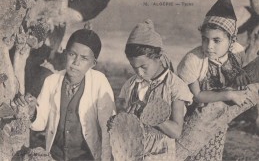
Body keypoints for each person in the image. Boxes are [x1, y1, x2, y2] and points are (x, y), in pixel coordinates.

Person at [176, 0, 259, 160]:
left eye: (216, 40)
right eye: (205, 39)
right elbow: (197, 96)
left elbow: (239, 75)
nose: (209, 46)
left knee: (212, 154)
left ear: (231, 40)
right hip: (193, 118)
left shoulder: (237, 52)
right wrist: (228, 94)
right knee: (191, 154)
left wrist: (242, 74)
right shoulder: (192, 61)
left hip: (219, 118)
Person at [15, 29, 115, 161]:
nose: (76, 62)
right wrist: (32, 112)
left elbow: (108, 128)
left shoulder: (99, 82)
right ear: (65, 53)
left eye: (84, 58)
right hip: (55, 157)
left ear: (93, 63)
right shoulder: (52, 81)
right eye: (72, 54)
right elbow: (40, 123)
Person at [116, 19, 193, 160]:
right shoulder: (130, 85)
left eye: (143, 67)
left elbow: (176, 131)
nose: (139, 73)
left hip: (160, 155)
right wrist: (116, 122)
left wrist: (150, 113)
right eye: (134, 67)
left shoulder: (175, 86)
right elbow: (123, 116)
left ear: (159, 57)